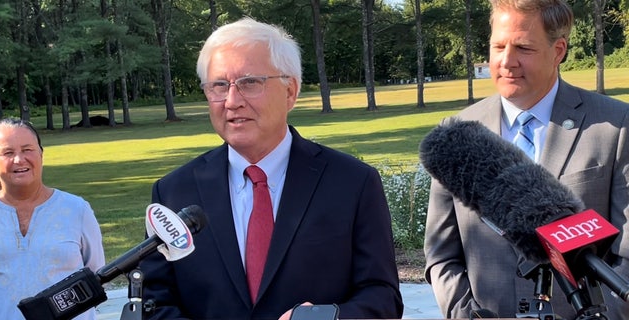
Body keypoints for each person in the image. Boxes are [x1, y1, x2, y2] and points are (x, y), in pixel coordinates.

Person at [139, 17, 403, 320]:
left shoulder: (353, 183)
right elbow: (154, 303)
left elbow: (382, 296)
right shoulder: (174, 191)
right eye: (219, 86)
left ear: (290, 91)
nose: (232, 101)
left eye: (250, 82)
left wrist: (326, 317)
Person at [424, 0, 629, 319]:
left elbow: (626, 255)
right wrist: (466, 315)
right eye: (498, 46)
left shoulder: (616, 126)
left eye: (523, 48)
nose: (507, 62)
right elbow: (441, 256)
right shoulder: (457, 136)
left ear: (558, 50)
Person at [0, 118, 105, 320]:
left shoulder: (77, 210)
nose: (19, 159)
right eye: (8, 152)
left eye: (27, 149)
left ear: (41, 153)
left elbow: (97, 275)